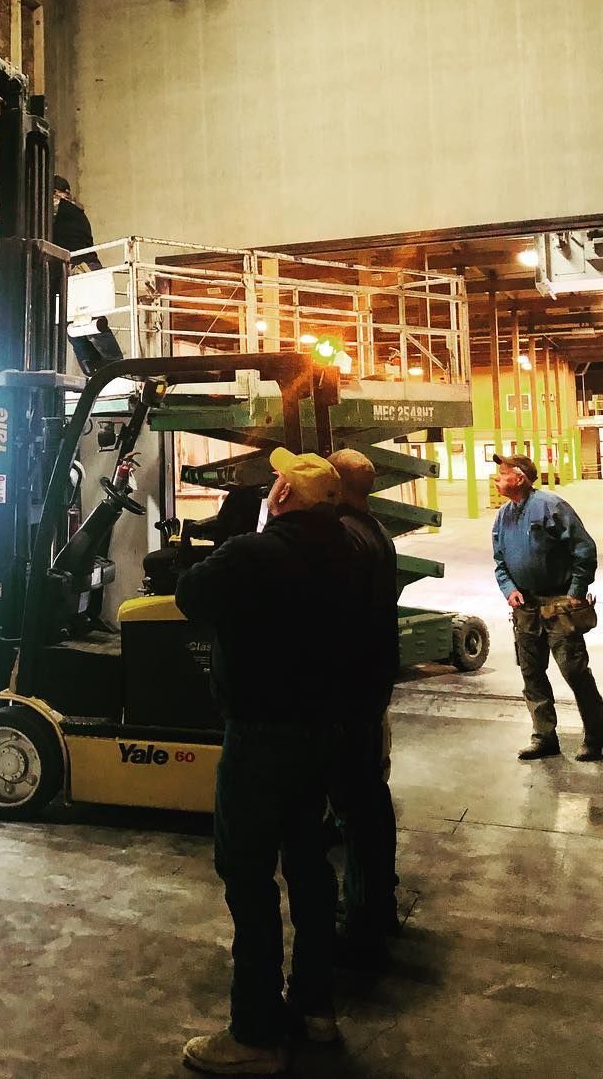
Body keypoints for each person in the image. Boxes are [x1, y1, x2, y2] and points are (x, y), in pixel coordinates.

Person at [175, 448, 364, 1076]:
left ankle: (254, 1030)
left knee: (248, 876)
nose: (271, 486)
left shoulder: (256, 553)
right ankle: (315, 1009)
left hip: (259, 738)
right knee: (309, 867)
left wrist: (236, 532)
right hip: (321, 734)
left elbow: (190, 595)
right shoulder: (352, 552)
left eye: (277, 481)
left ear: (283, 498)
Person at [327, 448, 400, 955]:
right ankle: (379, 906)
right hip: (371, 680)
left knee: (354, 806)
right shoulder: (375, 531)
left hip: (346, 687)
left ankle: (362, 919)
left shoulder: (343, 538)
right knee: (369, 800)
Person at [491, 452, 603, 762]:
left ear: (519, 478)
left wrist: (576, 591)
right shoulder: (503, 516)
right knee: (531, 674)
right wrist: (509, 589)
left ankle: (596, 737)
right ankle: (544, 737)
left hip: (558, 604)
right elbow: (500, 561)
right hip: (526, 608)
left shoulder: (551, 506)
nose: (496, 478)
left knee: (574, 671)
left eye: (502, 474)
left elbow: (584, 548)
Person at [52, 175, 102, 270]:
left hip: (80, 267)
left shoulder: (59, 206)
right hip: (91, 265)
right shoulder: (77, 211)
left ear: (55, 192)